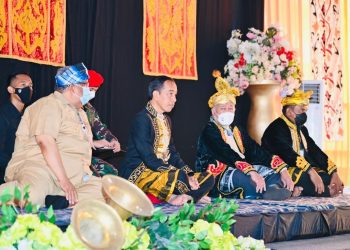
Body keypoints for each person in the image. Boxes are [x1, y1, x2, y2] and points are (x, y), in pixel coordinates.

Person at [0, 63, 104, 207]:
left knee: (107, 193)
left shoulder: (80, 112)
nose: (90, 91)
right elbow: (45, 141)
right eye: (86, 86)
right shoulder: (49, 104)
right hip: (42, 170)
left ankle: (58, 201)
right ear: (73, 88)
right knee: (32, 196)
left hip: (75, 176)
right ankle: (50, 199)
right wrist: (64, 181)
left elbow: (79, 142)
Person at [195, 70, 294, 200]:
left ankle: (268, 190)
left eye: (230, 108)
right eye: (222, 109)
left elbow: (254, 149)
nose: (227, 112)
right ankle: (262, 190)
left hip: (243, 167)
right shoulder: (209, 130)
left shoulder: (237, 129)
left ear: (235, 110)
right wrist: (251, 171)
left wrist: (282, 169)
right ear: (214, 112)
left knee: (273, 173)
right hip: (218, 172)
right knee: (242, 177)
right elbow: (227, 153)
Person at [120, 76, 214, 206]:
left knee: (208, 178)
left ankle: (187, 196)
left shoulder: (167, 120)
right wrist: (180, 174)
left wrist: (189, 174)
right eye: (170, 94)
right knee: (179, 176)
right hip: (140, 172)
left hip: (164, 173)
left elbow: (173, 154)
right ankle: (190, 195)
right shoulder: (142, 119)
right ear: (156, 95)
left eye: (175, 95)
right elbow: (148, 158)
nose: (174, 99)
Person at [261, 89, 344, 197]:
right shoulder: (276, 128)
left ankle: (322, 188)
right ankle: (325, 191)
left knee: (328, 178)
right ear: (289, 112)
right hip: (280, 169)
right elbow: (288, 154)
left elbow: (314, 150)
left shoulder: (301, 128)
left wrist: (333, 171)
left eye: (305, 111)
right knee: (304, 177)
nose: (304, 114)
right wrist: (310, 171)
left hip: (299, 167)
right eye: (301, 111)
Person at [84, 70, 121, 177]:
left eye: (95, 90)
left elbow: (100, 128)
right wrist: (94, 143)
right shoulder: (66, 106)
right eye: (91, 89)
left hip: (85, 156)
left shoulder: (88, 108)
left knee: (111, 172)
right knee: (95, 178)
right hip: (69, 156)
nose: (93, 94)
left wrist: (112, 140)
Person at [0, 72, 33, 184]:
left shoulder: (28, 115)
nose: (28, 88)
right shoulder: (3, 115)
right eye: (23, 85)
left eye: (31, 85)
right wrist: (15, 165)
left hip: (23, 171)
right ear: (11, 89)